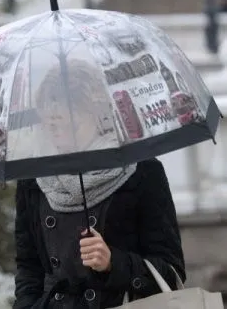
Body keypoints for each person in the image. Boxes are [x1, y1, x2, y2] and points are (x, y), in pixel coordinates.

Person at [12, 59, 186, 308]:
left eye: (66, 115)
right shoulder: (34, 178)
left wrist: (114, 263)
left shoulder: (142, 172)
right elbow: (29, 269)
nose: (55, 124)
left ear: (97, 114)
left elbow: (172, 272)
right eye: (49, 115)